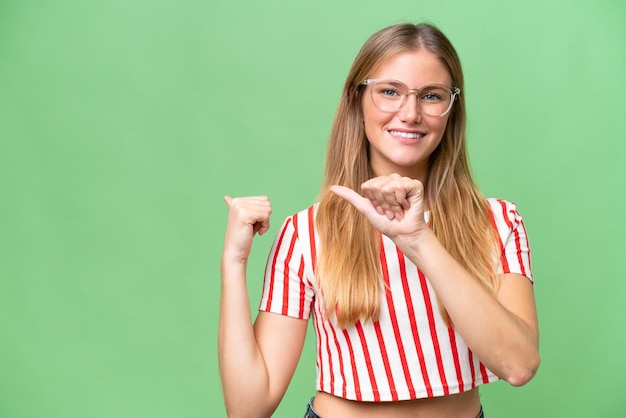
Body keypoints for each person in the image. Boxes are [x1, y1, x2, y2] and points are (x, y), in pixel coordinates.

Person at [219, 22, 540, 418]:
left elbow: (520, 365)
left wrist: (421, 240)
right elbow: (248, 408)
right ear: (358, 100)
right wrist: (233, 264)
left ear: (451, 109)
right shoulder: (305, 234)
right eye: (390, 91)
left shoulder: (498, 222)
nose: (410, 113)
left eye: (431, 96)